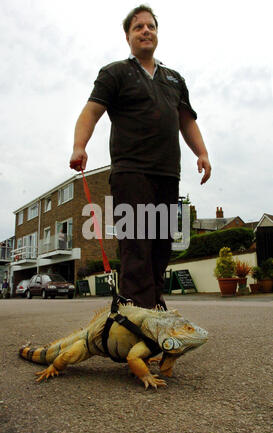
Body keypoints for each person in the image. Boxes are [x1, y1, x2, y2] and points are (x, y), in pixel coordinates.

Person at [70, 5, 211, 309]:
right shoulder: (116, 72)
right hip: (131, 173)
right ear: (128, 36)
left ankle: (153, 307)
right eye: (139, 27)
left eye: (151, 26)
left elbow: (186, 120)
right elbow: (91, 111)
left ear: (157, 33)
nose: (146, 31)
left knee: (161, 246)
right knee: (136, 244)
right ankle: (136, 314)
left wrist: (202, 153)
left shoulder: (174, 79)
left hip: (167, 174)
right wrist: (79, 146)